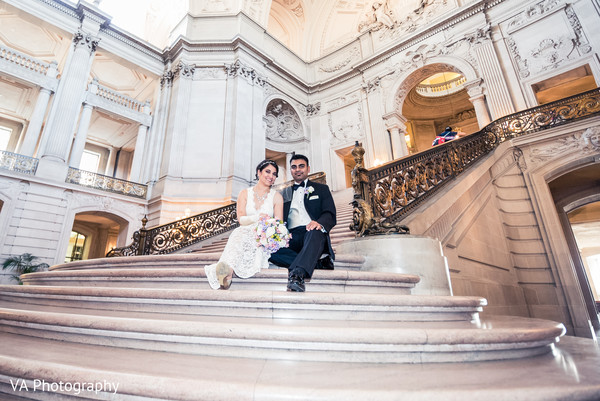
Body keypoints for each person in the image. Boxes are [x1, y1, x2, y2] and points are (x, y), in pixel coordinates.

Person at [204, 159, 284, 290]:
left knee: (250, 235)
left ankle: (227, 272)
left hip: (264, 234)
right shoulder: (244, 193)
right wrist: (258, 217)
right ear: (259, 172)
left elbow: (278, 223)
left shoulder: (277, 197)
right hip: (245, 230)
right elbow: (241, 219)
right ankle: (228, 270)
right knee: (239, 232)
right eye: (267, 172)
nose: (271, 176)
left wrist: (265, 228)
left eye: (274, 174)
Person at [269, 154, 337, 292]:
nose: (297, 169)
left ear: (308, 169)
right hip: (291, 236)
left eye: (301, 166)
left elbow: (330, 213)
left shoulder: (321, 189)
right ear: (291, 170)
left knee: (315, 232)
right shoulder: (284, 193)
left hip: (311, 233)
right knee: (270, 250)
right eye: (294, 167)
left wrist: (319, 223)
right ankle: (317, 263)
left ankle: (297, 275)